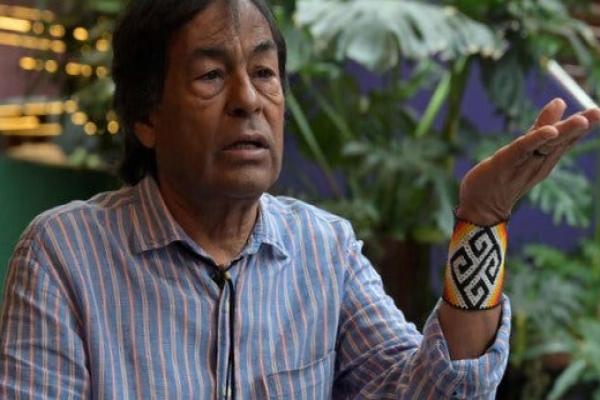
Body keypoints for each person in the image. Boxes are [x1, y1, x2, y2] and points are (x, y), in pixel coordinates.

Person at [1, 0, 598, 398]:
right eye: (211, 76)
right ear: (146, 116)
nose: (248, 101)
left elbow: (432, 392)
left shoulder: (324, 248)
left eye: (264, 74)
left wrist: (482, 223)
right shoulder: (65, 254)